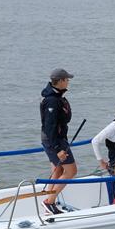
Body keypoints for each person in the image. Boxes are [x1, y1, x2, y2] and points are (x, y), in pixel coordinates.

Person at [39, 68, 78, 215]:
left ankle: (49, 201)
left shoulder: (56, 96)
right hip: (54, 139)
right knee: (71, 171)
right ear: (60, 81)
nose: (68, 82)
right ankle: (49, 202)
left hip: (57, 138)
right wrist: (58, 148)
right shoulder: (52, 100)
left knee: (59, 169)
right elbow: (50, 127)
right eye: (67, 79)